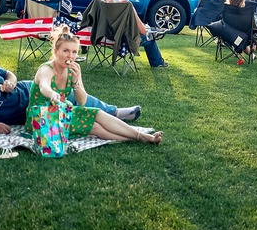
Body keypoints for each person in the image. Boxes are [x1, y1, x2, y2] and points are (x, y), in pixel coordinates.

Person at [25, 26, 163, 144]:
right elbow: (44, 86)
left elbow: (82, 101)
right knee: (95, 128)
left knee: (97, 113)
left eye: (74, 52)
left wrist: (76, 81)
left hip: (62, 113)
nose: (70, 56)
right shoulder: (46, 69)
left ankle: (140, 137)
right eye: (66, 51)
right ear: (56, 51)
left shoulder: (72, 70)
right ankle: (140, 138)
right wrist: (52, 94)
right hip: (41, 120)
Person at [0, 43, 141, 134]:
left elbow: (9, 73)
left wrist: (11, 82)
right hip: (24, 110)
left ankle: (114, 112)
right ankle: (114, 119)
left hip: (27, 90)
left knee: (70, 95)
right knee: (63, 101)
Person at [104, 0, 168, 68]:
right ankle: (158, 63)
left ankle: (158, 62)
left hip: (105, 38)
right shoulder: (126, 5)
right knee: (149, 37)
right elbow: (142, 30)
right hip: (124, 40)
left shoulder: (100, 4)